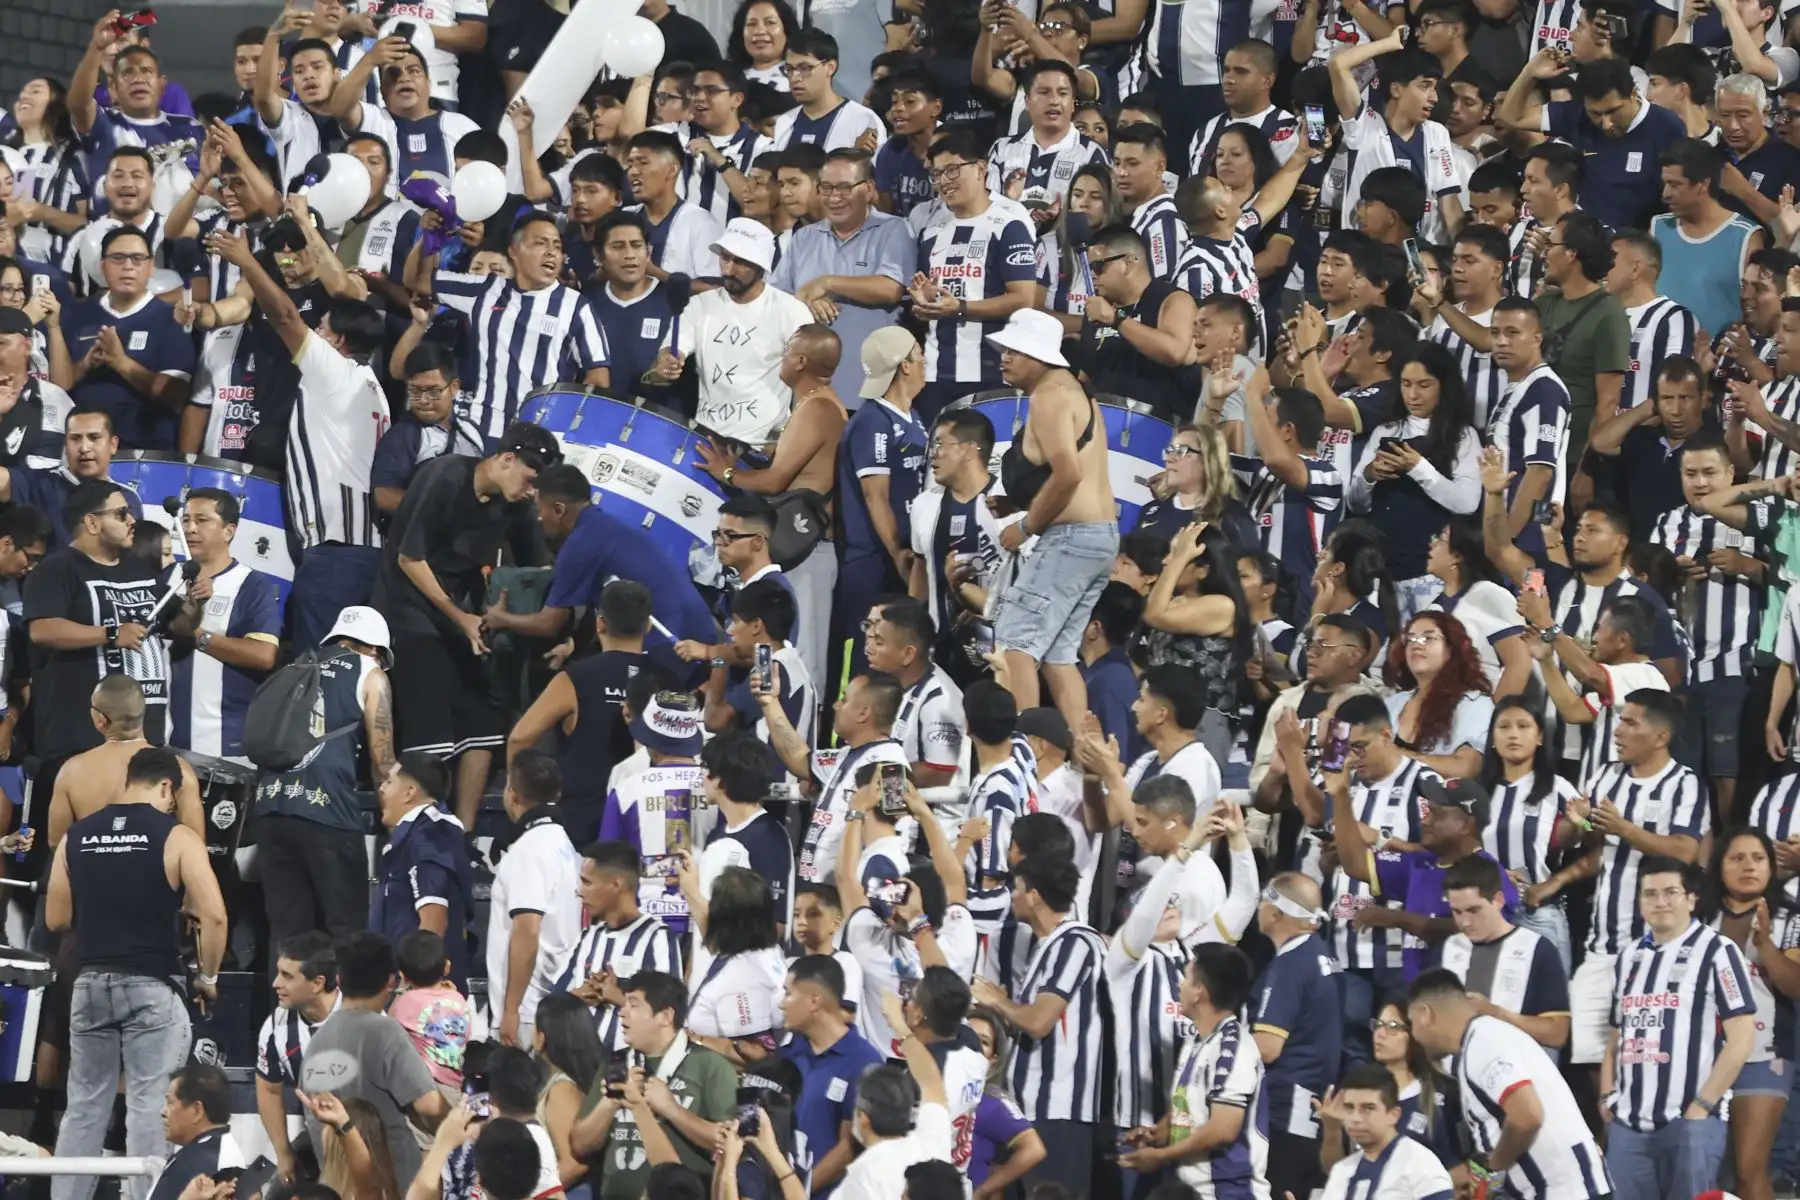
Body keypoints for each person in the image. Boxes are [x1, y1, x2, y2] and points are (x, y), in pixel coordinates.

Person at [47, 747, 226, 1200]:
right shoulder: (177, 836)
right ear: (166, 787)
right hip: (151, 986)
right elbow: (215, 916)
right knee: (150, 1106)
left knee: (84, 1106)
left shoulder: (76, 836)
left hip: (90, 983)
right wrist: (207, 977)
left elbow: (56, 918)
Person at [205, 227, 389, 654]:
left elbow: (286, 317)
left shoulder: (334, 372)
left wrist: (247, 262)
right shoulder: (373, 387)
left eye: (321, 327)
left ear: (339, 341)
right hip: (364, 549)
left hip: (335, 554)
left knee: (318, 669)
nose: (314, 333)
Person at [373, 423, 556, 827]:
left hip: (463, 615)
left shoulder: (516, 505)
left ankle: (463, 834)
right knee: (433, 726)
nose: (531, 492)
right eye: (529, 480)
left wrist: (561, 628)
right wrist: (461, 618)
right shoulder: (445, 476)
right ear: (506, 459)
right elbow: (409, 559)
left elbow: (539, 568)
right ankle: (417, 830)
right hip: (408, 608)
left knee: (483, 718)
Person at [1547, 690, 1707, 1081]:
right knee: (1588, 1058)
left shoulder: (1684, 784)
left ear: (1661, 736)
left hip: (1657, 949)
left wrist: (1624, 829)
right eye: (1620, 721)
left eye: (1630, 722)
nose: (1618, 731)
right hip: (1602, 948)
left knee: (1645, 1060)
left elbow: (1685, 851)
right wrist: (1578, 822)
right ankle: (1603, 1123)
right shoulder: (1605, 776)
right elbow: (1581, 842)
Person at [986, 310, 1117, 731]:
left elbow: (1069, 475)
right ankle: (1082, 754)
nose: (1004, 357)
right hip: (1098, 538)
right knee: (1059, 656)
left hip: (1071, 539)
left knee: (1014, 644)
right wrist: (1017, 503)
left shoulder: (1049, 394)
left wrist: (1026, 527)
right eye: (1004, 349)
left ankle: (1026, 752)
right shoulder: (1075, 392)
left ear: (1040, 355)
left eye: (1015, 350)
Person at [1603, 857, 1757, 1199]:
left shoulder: (1718, 951)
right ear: (1639, 902)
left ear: (1691, 899)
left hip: (1690, 1121)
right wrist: (1606, 1096)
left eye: (1670, 892)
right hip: (1627, 1124)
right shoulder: (1628, 958)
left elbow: (1742, 1038)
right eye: (1650, 894)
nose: (1660, 902)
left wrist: (1701, 1106)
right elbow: (1615, 1037)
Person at [251, 605, 394, 949]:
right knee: (346, 931)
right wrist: (395, 817)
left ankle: (283, 989)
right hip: (329, 813)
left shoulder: (295, 665)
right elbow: (382, 759)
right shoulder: (370, 671)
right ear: (374, 648)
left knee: (288, 935)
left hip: (270, 808)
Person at [401, 210, 608, 447]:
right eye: (541, 243)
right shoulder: (483, 290)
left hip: (540, 439)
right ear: (514, 252)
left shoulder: (576, 306)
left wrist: (572, 426)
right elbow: (416, 280)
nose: (551, 252)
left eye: (557, 246)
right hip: (477, 432)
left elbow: (598, 377)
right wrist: (428, 237)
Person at [492, 465, 715, 681]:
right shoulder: (604, 525)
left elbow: (549, 624)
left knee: (589, 693)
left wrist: (500, 618)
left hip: (671, 647)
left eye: (539, 509)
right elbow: (599, 609)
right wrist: (574, 646)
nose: (538, 518)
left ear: (559, 510)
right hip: (704, 638)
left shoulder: (580, 545)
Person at [1407, 969, 1612, 1198]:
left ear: (1425, 1014)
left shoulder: (1483, 1041)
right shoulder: (1481, 1039)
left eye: (1411, 1022)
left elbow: (1527, 1117)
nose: (1414, 1035)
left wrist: (1492, 1170)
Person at [969, 854, 1105, 1189]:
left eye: (1016, 888)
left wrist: (998, 1001)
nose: (1012, 896)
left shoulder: (1075, 941)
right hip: (1032, 1110)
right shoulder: (1048, 946)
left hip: (1058, 1113)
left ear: (1033, 895)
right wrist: (1004, 1009)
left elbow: (1039, 1022)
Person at [25, 479, 168, 797]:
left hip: (144, 741)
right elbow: (42, 629)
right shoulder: (55, 569)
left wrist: (195, 602)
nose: (132, 520)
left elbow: (178, 626)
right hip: (81, 742)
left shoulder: (138, 568)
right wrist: (111, 633)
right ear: (92, 522)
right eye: (121, 514)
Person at [1649, 437, 1761, 821]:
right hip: (1678, 672)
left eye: (1709, 473)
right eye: (1690, 473)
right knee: (1682, 774)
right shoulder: (1667, 523)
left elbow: (1788, 578)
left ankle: (1728, 844)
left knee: (1726, 772)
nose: (1700, 482)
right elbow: (1644, 588)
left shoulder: (1757, 518)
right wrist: (1671, 572)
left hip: (1735, 665)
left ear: (1730, 473)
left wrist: (1745, 565)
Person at [300, 931, 451, 1189]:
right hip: (392, 1186)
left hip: (336, 1188)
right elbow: (430, 1107)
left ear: (339, 980)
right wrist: (455, 1136)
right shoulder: (385, 1032)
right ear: (391, 981)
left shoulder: (316, 1042)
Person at [569, 969, 739, 1198]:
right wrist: (609, 1104)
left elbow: (730, 1143)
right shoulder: (615, 1064)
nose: (622, 1012)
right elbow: (580, 1146)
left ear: (665, 1016)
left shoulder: (709, 1065)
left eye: (633, 1005)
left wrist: (671, 1109)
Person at [507, 580, 651, 845]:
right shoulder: (669, 679)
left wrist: (515, 794)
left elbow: (520, 737)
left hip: (583, 826)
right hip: (648, 823)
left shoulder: (576, 677)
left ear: (600, 623)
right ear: (648, 626)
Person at [1346, 345, 1484, 617]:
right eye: (1406, 384)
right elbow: (1356, 504)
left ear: (1444, 386)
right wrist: (1369, 476)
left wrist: (1418, 467)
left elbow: (1467, 503)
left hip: (1431, 573)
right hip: (1384, 572)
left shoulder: (1462, 436)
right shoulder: (1385, 431)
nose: (1413, 395)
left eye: (1424, 385)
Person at [907, 131, 1037, 421]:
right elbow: (933, 299)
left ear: (980, 169)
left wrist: (961, 307)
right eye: (937, 174)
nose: (944, 181)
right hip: (935, 374)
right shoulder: (930, 232)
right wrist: (925, 304)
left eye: (952, 170)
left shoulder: (1009, 226)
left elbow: (1024, 299)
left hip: (992, 372)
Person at [1700, 828, 1800, 1200]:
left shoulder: (1790, 916)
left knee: (1748, 1171)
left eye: (1758, 858)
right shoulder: (1697, 915)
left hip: (1764, 1054)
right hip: (1701, 1056)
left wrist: (1765, 944)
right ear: (1719, 866)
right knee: (1701, 1169)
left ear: (1771, 867)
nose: (1748, 866)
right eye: (1737, 858)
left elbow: (1795, 986)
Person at [771, 150, 915, 402]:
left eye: (845, 188)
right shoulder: (805, 237)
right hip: (809, 391)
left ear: (868, 189)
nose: (834, 197)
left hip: (871, 387)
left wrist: (827, 283)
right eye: (826, 187)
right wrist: (806, 302)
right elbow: (775, 299)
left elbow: (890, 288)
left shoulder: (893, 229)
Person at [660, 218, 811, 445]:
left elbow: (806, 386)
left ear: (760, 265)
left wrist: (783, 441)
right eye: (725, 258)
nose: (728, 270)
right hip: (706, 441)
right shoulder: (699, 305)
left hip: (763, 447)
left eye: (740, 261)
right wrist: (667, 360)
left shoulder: (791, 311)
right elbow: (671, 350)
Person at [1499, 53, 1686, 233]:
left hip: (1636, 245)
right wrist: (1530, 72)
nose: (1606, 123)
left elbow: (1677, 197)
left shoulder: (1667, 128)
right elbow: (1511, 117)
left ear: (1633, 94)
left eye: (1613, 111)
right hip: (1588, 243)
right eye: (1595, 114)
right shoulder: (1577, 115)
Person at [833, 328, 929, 679]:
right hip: (875, 561)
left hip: (901, 558)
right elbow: (875, 495)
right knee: (864, 660)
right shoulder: (873, 421)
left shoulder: (913, 419)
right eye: (919, 354)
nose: (925, 361)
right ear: (904, 365)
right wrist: (898, 554)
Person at [163, 487, 280, 763]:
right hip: (161, 741)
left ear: (229, 531)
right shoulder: (166, 578)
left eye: (202, 520)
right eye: (186, 519)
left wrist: (196, 637)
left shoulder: (251, 585)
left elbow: (264, 655)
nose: (190, 528)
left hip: (225, 746)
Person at [1248, 872, 1342, 1200]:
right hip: (1309, 1107)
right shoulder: (1323, 954)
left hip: (1286, 1109)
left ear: (1275, 913)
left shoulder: (1290, 964)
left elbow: (1267, 1048)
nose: (1258, 908)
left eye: (1263, 901)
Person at [60, 225, 193, 450]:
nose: (128, 266)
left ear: (151, 267)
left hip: (145, 452)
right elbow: (58, 384)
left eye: (137, 258)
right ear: (102, 266)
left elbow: (176, 396)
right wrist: (84, 365)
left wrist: (122, 364)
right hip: (82, 450)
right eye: (118, 258)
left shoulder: (171, 318)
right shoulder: (78, 315)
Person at [1478, 698, 1584, 970]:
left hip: (1539, 912)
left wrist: (1580, 822)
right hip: (1487, 913)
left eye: (1523, 726)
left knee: (1549, 995)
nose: (1513, 734)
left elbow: (1586, 837)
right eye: (1504, 727)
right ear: (1492, 738)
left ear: (1539, 737)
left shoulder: (1558, 788)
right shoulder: (1477, 793)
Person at [488, 751, 582, 1050]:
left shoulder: (529, 850)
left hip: (527, 1010)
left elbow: (528, 929)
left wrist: (511, 1009)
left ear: (513, 794)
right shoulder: (565, 845)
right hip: (551, 1001)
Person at [1528, 592, 1670, 790]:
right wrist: (1546, 661)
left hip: (1621, 795)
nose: (1594, 638)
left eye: (1600, 629)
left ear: (1622, 640)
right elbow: (1573, 711)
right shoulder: (1622, 683)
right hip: (1597, 795)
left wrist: (1547, 624)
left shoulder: (1645, 677)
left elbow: (1589, 674)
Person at [44, 677, 202, 853]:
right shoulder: (179, 769)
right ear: (142, 712)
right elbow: (195, 844)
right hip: (154, 870)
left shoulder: (71, 771)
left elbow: (57, 843)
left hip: (93, 869)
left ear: (101, 719)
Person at [1329, 36, 1463, 241]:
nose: (1434, 97)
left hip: (1415, 251)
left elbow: (1449, 203)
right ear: (1396, 89)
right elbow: (1339, 65)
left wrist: (1462, 247)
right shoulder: (1364, 125)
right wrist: (1390, 43)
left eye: (1435, 88)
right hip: (1366, 250)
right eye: (1425, 86)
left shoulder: (1437, 133)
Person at [554, 840, 683, 1053]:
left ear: (616, 884)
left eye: (587, 883)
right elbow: (552, 1003)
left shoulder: (657, 938)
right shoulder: (587, 938)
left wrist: (619, 998)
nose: (580, 892)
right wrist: (578, 996)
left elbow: (669, 1018)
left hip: (630, 1068)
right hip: (579, 1064)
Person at [777, 955, 885, 1198]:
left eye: (788, 993)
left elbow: (849, 1148)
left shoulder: (863, 1061)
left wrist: (796, 1192)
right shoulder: (791, 1052)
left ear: (814, 1001)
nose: (782, 1004)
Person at [1439, 853, 1572, 1050]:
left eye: (1474, 910)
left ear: (1498, 900)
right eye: (1457, 912)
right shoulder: (1448, 948)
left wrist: (1496, 1013)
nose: (1465, 922)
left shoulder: (1536, 949)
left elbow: (1557, 1033)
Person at [831, 995, 953, 1200]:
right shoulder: (930, 1145)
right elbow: (930, 1080)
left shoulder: (861, 1180)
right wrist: (899, 1024)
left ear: (863, 1119)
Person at [371, 753, 473, 987]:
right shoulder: (418, 833)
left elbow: (434, 917)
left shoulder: (430, 834)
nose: (382, 789)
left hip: (422, 993)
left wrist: (417, 986)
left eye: (389, 782)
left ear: (409, 792)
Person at [1652, 139, 1766, 345]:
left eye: (1675, 185)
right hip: (1659, 355)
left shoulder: (1745, 236)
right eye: (1665, 184)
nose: (1665, 195)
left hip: (1716, 359)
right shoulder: (1657, 228)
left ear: (1703, 184)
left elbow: (1756, 312)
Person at [1486, 298, 1570, 567]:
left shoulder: (1544, 390)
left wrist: (1506, 541)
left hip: (1530, 539)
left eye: (1512, 333)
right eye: (1495, 333)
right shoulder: (1519, 387)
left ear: (1536, 338)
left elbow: (1541, 472)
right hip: (1512, 533)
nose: (1501, 341)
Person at [253, 931, 340, 1182]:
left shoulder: (365, 1020)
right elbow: (268, 1089)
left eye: (287, 976)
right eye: (278, 973)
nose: (275, 983)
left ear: (317, 983)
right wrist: (283, 1153)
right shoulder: (276, 1026)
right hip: (317, 1138)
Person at [370, 343, 485, 523]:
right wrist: (444, 515)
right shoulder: (403, 436)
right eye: (415, 390)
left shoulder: (472, 432)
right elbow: (384, 496)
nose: (423, 400)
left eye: (433, 391)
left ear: (454, 387)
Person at [1381, 610, 1496, 778]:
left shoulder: (1475, 704)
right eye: (1410, 639)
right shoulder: (1390, 704)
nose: (1416, 645)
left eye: (1428, 638)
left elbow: (1465, 767)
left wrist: (1395, 756)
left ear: (1452, 648)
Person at [1314, 1063, 1454, 1199]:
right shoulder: (1342, 1171)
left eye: (1368, 1108)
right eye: (1349, 1108)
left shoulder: (1420, 1163)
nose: (1356, 1118)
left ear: (1394, 1115)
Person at [770, 30, 887, 152]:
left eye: (804, 68)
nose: (794, 78)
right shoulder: (784, 123)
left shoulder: (863, 120)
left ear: (831, 67)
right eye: (789, 69)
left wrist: (855, 155)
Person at [149, 1065, 245, 1200]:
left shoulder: (209, 1162)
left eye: (170, 1103)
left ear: (197, 1110)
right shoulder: (200, 1152)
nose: (163, 1112)